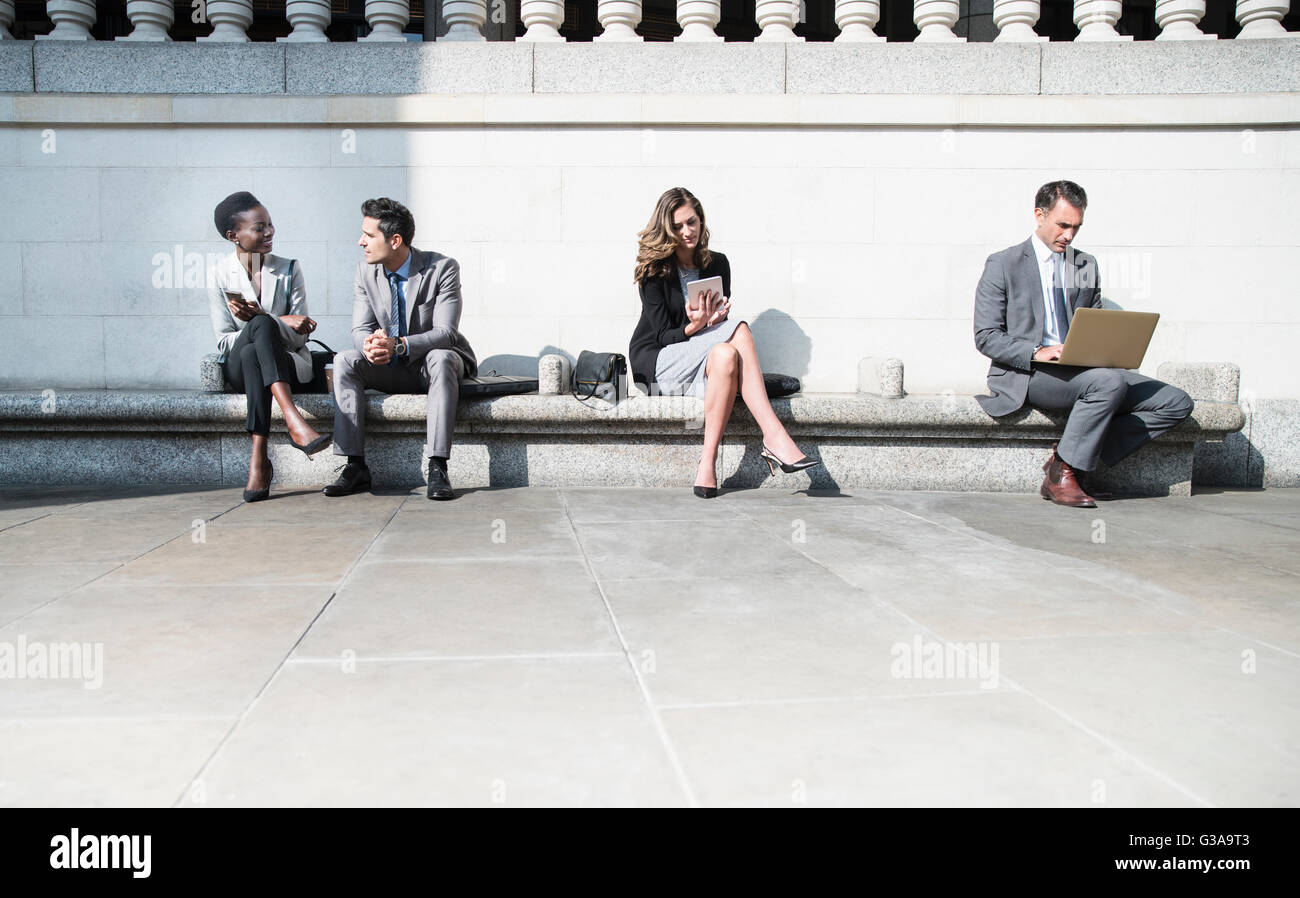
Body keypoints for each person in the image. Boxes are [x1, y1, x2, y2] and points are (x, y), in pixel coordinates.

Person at [973, 180, 1193, 507]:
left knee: (1175, 402)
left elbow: (1094, 317)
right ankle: (1063, 475)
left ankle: (1066, 459)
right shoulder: (1004, 264)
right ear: (1039, 215)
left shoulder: (1084, 264)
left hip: (1085, 368)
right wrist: (1037, 351)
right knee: (1107, 382)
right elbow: (986, 335)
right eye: (1063, 225)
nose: (1069, 235)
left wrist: (1116, 343)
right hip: (1030, 372)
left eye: (1076, 227)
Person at [629, 187, 820, 498]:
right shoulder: (654, 270)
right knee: (740, 330)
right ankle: (774, 436)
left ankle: (707, 463)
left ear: (702, 221)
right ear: (666, 228)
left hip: (699, 359)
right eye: (677, 226)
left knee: (726, 355)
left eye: (692, 222)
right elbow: (662, 334)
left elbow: (713, 332)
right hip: (658, 361)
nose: (686, 232)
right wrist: (696, 326)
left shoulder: (718, 263)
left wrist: (713, 323)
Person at [324, 197, 478, 500]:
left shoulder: (442, 268)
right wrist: (371, 347)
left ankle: (438, 466)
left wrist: (400, 346)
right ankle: (354, 466)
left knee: (441, 356)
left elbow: (446, 333)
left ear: (395, 240)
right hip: (391, 367)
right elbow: (359, 329)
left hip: (433, 366)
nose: (361, 242)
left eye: (369, 236)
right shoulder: (364, 272)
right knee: (345, 360)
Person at [209, 191, 330, 503]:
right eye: (259, 228)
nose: (269, 232)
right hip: (236, 368)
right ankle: (294, 421)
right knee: (256, 331)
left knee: (255, 347)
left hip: (287, 361)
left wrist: (264, 321)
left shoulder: (289, 269)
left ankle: (259, 459)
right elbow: (223, 340)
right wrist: (270, 322)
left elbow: (301, 336)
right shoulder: (220, 275)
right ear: (233, 236)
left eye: (270, 225)